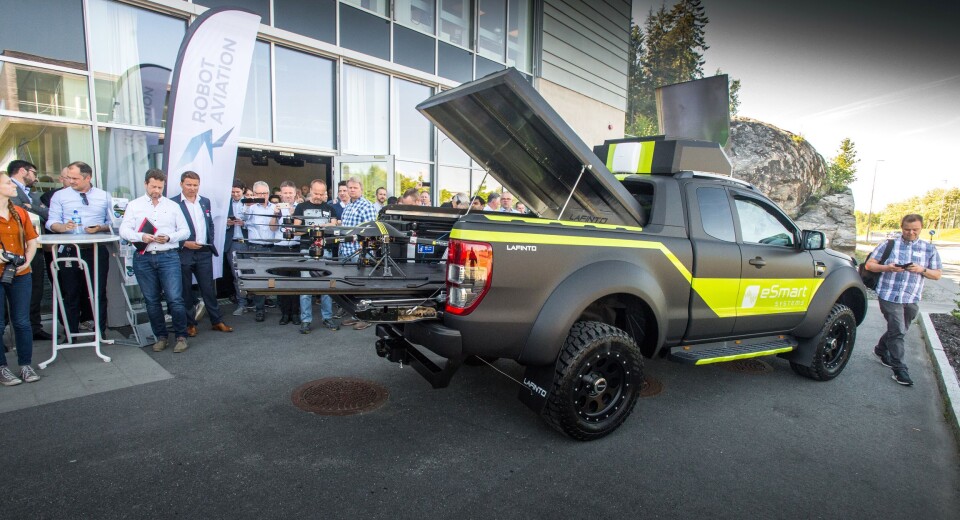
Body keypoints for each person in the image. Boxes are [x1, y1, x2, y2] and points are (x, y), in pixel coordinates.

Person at [864, 214, 942, 386]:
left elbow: (936, 274)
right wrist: (888, 268)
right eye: (907, 229)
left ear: (921, 228)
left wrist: (921, 269)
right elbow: (869, 265)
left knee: (900, 328)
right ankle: (900, 370)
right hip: (888, 294)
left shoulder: (929, 249)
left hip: (911, 296)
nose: (911, 233)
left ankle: (880, 350)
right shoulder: (889, 244)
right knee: (898, 330)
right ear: (901, 227)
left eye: (915, 230)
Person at [119, 169, 191, 353]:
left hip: (168, 256)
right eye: (153, 186)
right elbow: (124, 230)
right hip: (144, 257)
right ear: (145, 184)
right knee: (151, 300)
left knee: (175, 299)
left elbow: (185, 231)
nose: (156, 190)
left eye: (160, 187)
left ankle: (181, 336)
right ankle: (161, 337)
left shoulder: (173, 206)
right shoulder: (134, 205)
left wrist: (169, 237)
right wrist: (140, 236)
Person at [46, 161, 113, 337]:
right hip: (69, 249)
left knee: (98, 291)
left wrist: (100, 227)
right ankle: (71, 333)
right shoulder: (60, 196)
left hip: (95, 248)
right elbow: (51, 222)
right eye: (69, 177)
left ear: (88, 177)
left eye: (75, 178)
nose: (71, 181)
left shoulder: (104, 196)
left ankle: (100, 331)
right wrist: (62, 227)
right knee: (70, 291)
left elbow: (112, 222)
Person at [171, 171, 233, 337]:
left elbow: (209, 224)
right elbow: (169, 230)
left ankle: (217, 321)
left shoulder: (204, 201)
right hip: (184, 252)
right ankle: (189, 324)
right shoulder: (172, 203)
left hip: (203, 252)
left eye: (195, 185)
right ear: (181, 184)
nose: (192, 188)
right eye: (189, 184)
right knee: (186, 291)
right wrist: (183, 243)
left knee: (208, 289)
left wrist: (209, 240)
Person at [0, 172, 41, 386]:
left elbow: (32, 240)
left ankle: (25, 365)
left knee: (22, 322)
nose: (13, 185)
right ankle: (3, 368)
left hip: (20, 273)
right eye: (8, 183)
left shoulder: (19, 213)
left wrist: (26, 262)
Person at [8, 160, 52, 341]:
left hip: (36, 247)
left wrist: (33, 207)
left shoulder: (30, 195)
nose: (35, 177)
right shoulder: (10, 190)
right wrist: (36, 209)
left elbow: (48, 213)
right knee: (15, 293)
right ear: (21, 171)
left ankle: (34, 327)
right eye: (33, 172)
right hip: (16, 249)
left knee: (36, 289)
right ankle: (16, 331)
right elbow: (16, 213)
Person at [292, 179, 340, 333]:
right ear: (310, 191)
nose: (318, 196)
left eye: (321, 193)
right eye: (316, 193)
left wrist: (323, 227)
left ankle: (328, 317)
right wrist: (311, 229)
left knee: (327, 286)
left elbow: (334, 226)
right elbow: (296, 230)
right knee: (306, 287)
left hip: (326, 250)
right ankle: (305, 320)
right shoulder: (301, 206)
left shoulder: (330, 208)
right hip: (307, 250)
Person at [339, 177, 378, 331]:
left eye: (355, 187)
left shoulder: (366, 206)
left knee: (363, 286)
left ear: (361, 189)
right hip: (346, 252)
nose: (352, 190)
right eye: (350, 187)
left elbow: (370, 233)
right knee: (352, 286)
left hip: (360, 253)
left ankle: (367, 316)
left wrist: (365, 253)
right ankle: (356, 314)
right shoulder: (348, 206)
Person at [242, 181, 279, 322]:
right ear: (254, 194)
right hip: (255, 247)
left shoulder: (274, 208)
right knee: (257, 279)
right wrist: (247, 204)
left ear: (268, 194)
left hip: (271, 247)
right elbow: (243, 217)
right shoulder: (250, 207)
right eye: (259, 193)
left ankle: (273, 302)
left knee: (271, 277)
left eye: (264, 193)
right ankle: (259, 309)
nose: (262, 195)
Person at [274, 181, 301, 325]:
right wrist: (275, 214)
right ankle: (285, 313)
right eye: (285, 193)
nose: (288, 196)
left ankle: (296, 313)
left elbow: (303, 228)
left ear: (295, 193)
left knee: (296, 282)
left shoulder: (300, 208)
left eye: (290, 193)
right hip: (280, 248)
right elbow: (272, 228)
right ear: (281, 193)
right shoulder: (275, 208)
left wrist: (295, 214)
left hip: (296, 248)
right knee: (282, 282)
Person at [227, 180, 250, 315]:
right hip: (233, 242)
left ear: (243, 191)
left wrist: (244, 223)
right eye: (233, 192)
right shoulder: (225, 204)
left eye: (238, 192)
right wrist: (227, 223)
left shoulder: (249, 203)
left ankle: (256, 302)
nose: (235, 194)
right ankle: (242, 303)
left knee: (251, 273)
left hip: (248, 242)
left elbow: (256, 222)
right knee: (237, 275)